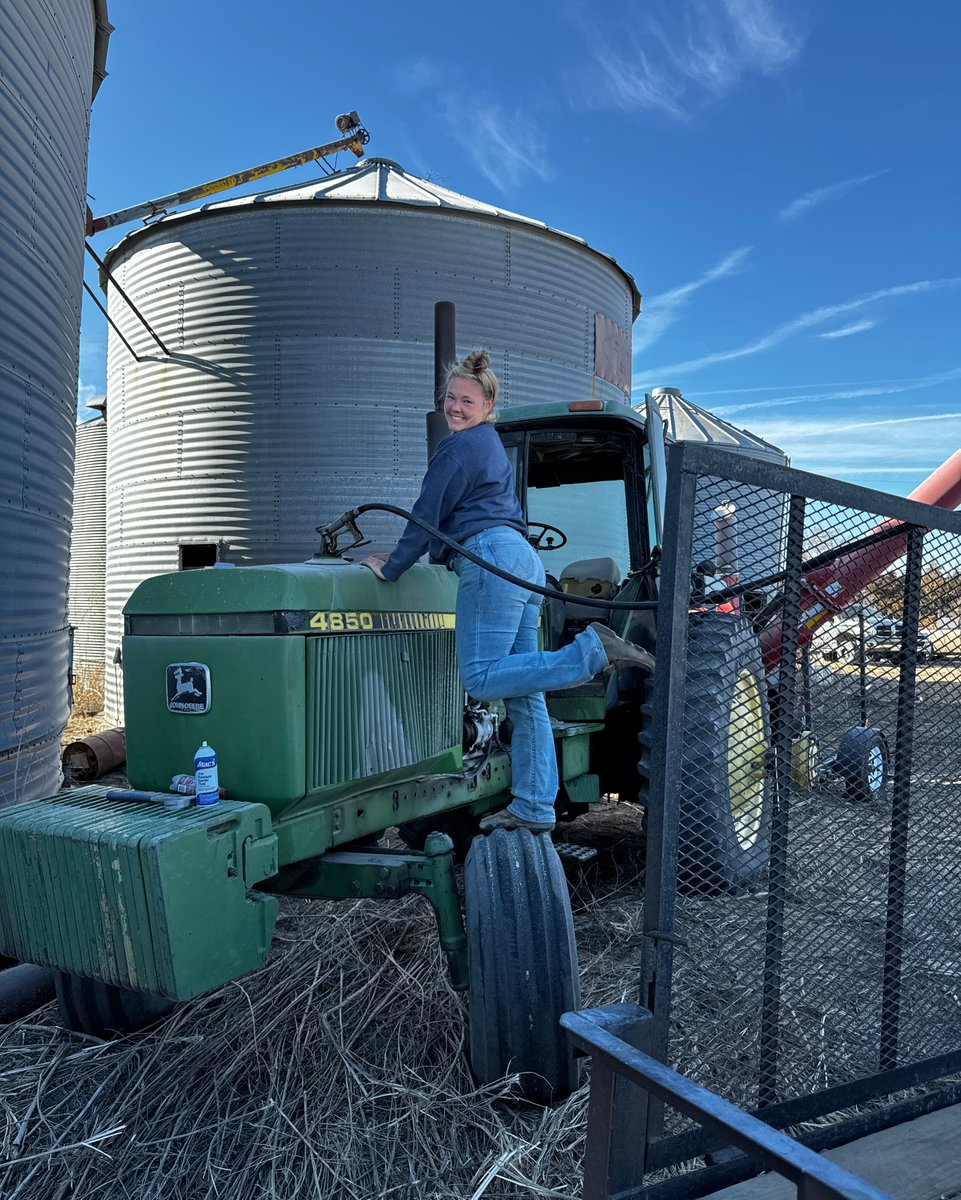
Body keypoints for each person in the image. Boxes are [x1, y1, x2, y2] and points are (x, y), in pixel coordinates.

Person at [362, 348, 654, 833]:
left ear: (487, 405)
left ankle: (590, 652)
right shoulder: (490, 444)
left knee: (479, 677)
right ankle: (535, 805)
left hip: (490, 560)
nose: (456, 407)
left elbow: (426, 515)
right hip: (523, 561)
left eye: (467, 400)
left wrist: (391, 568)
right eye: (451, 398)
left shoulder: (458, 448)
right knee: (525, 693)